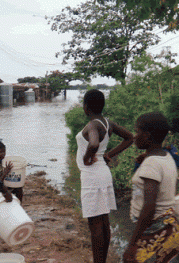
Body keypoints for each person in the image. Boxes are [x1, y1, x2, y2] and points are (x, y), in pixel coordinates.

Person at [76, 89, 134, 263]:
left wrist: (87, 158)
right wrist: (109, 155)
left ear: (86, 107)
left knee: (95, 224)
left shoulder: (93, 125)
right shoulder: (108, 123)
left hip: (92, 176)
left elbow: (93, 143)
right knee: (104, 220)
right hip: (103, 173)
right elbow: (130, 137)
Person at [123, 113, 179, 263]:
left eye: (137, 131)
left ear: (147, 136)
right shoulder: (166, 157)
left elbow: (149, 206)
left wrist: (132, 244)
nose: (134, 136)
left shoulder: (151, 164)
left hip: (152, 231)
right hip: (167, 228)